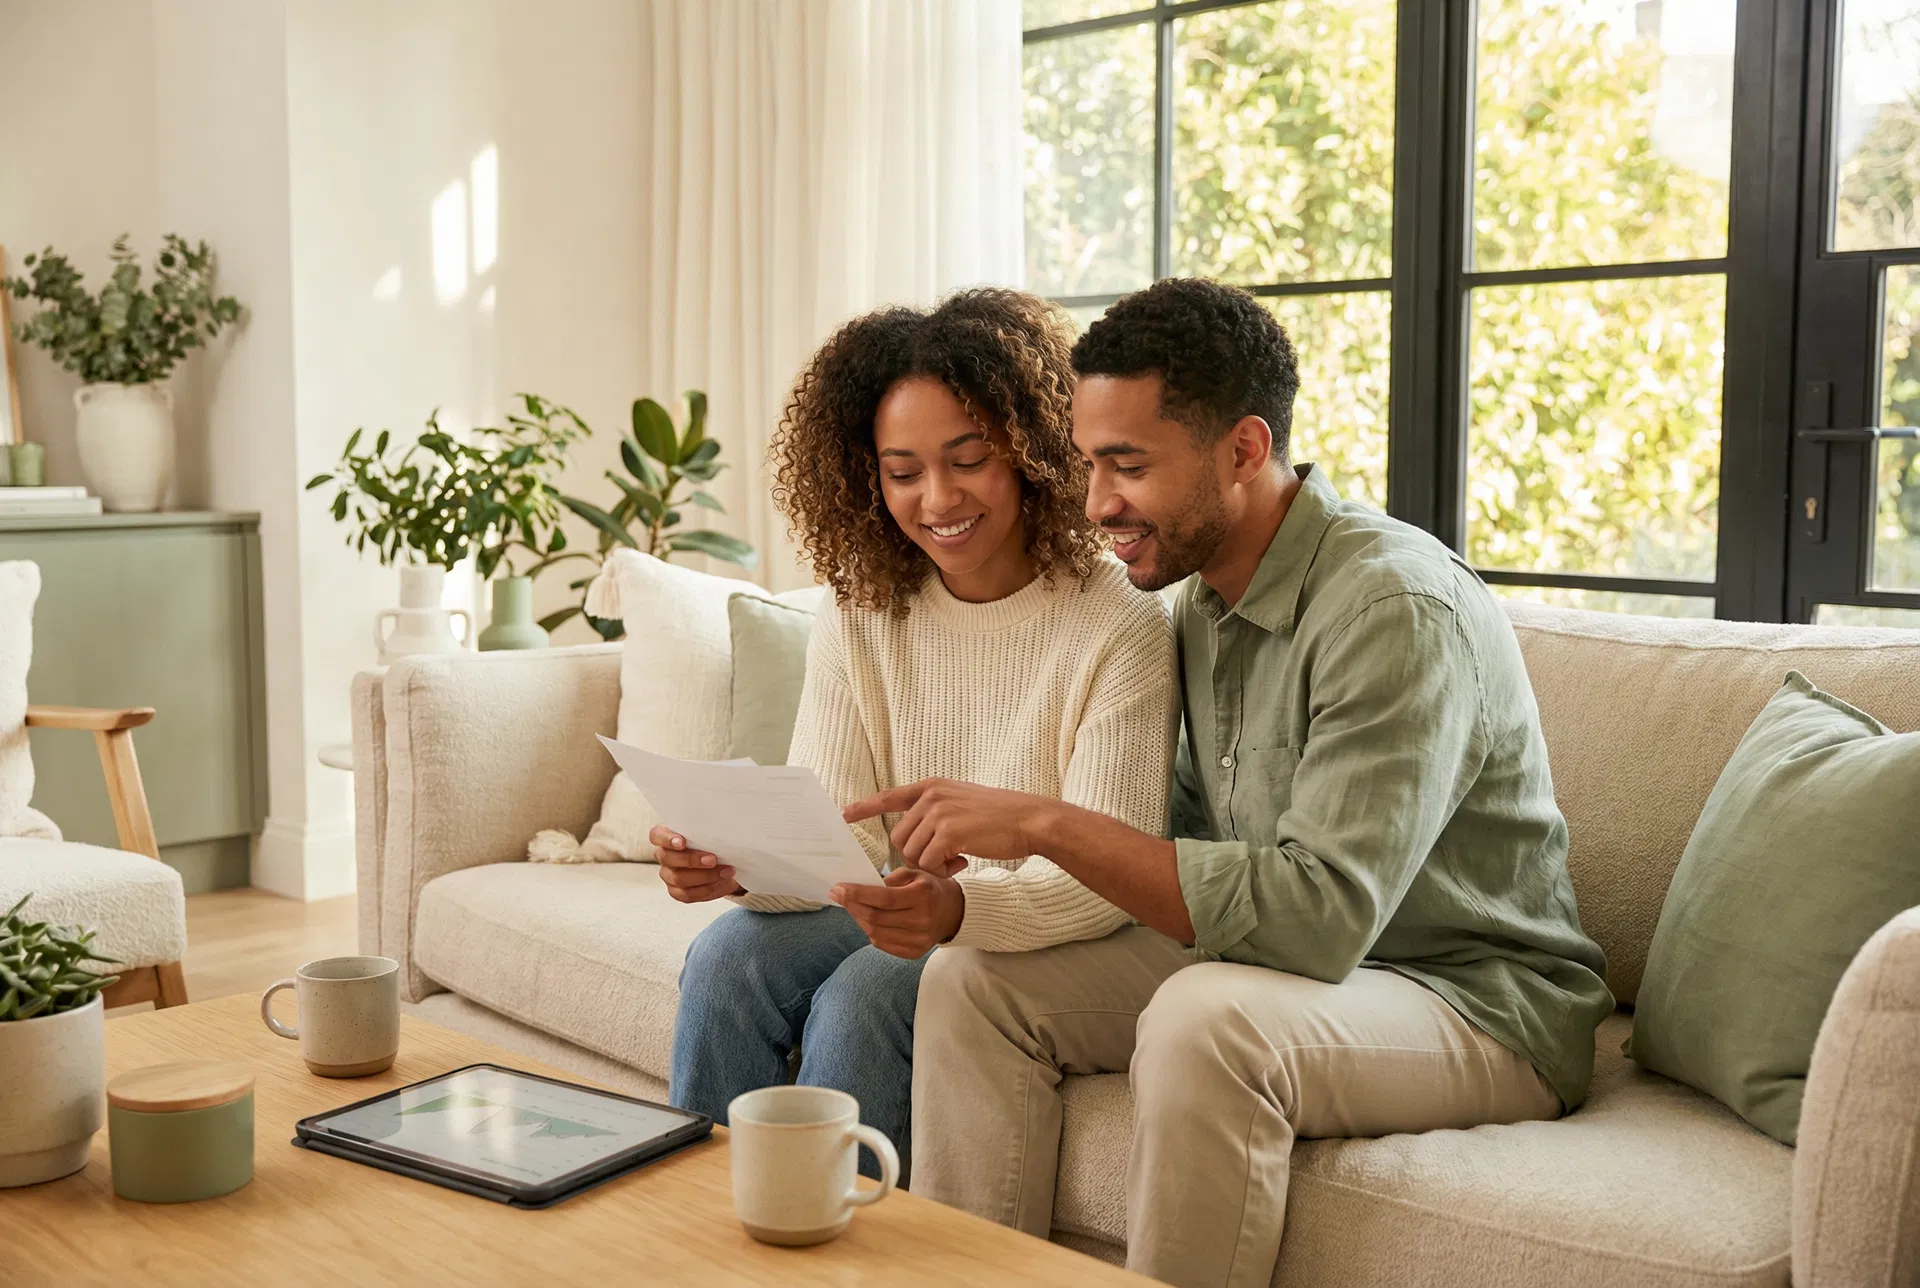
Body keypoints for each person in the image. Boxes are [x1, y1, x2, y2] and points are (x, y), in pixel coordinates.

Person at [845, 277, 1613, 1287]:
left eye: (1126, 465)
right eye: (1087, 463)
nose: (1094, 504)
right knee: (973, 981)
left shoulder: (1395, 608)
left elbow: (1319, 914)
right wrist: (965, 899)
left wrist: (1040, 821)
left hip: (1470, 999)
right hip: (1305, 970)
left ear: (1244, 451)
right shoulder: (1204, 602)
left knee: (1207, 1021)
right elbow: (1197, 856)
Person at [658, 287, 1176, 1184]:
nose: (937, 499)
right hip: (903, 906)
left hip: (1027, 928)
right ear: (868, 477)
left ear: (1029, 453)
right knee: (728, 954)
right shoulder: (861, 610)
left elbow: (1106, 874)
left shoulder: (1118, 624)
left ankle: (832, 1244)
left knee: (869, 992)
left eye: (967, 460)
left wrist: (957, 910)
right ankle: (701, 1240)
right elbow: (841, 834)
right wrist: (738, 865)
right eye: (903, 472)